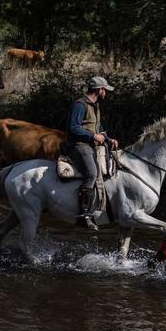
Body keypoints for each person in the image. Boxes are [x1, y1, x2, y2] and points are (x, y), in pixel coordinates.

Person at [66, 76, 118, 231]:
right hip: (79, 145)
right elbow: (73, 128)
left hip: (90, 145)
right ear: (99, 90)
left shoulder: (95, 105)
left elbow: (98, 127)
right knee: (92, 173)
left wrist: (108, 139)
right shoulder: (80, 105)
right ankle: (84, 215)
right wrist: (93, 136)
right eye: (105, 90)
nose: (106, 93)